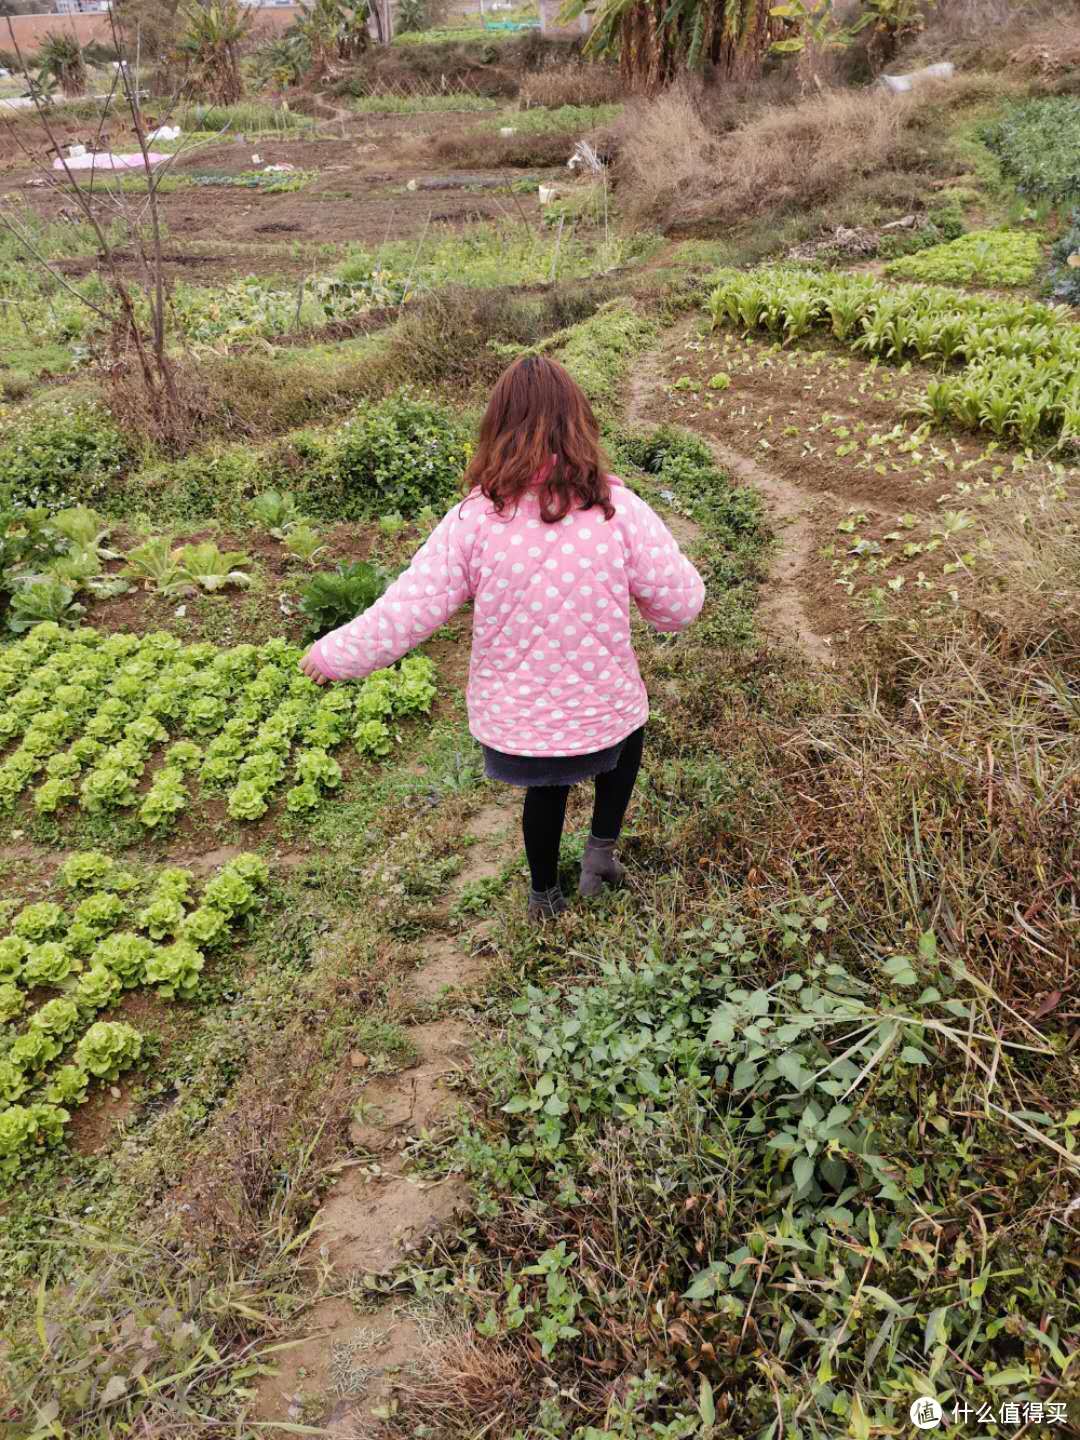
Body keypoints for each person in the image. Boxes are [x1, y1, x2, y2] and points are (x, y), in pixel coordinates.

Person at [300, 354, 705, 920]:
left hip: (521, 716)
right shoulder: (616, 510)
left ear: (497, 430)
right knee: (628, 735)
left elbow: (410, 607)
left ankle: (544, 897)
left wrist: (333, 654)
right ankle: (599, 857)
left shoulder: (474, 520)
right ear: (580, 425)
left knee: (548, 789)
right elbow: (680, 604)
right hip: (603, 700)